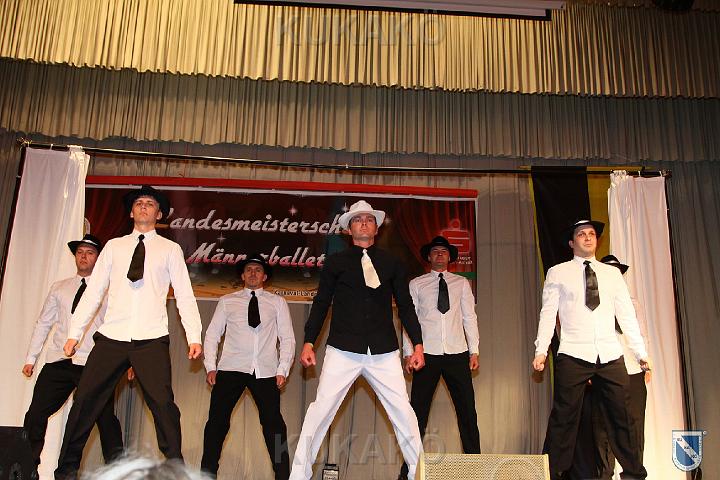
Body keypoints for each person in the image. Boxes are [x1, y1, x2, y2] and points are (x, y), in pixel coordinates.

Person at [55, 185, 203, 479]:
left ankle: (177, 471)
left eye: (150, 203)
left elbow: (185, 295)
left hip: (151, 338)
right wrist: (75, 332)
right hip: (112, 336)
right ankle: (65, 472)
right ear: (131, 212)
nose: (144, 206)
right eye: (138, 203)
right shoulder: (114, 246)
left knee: (163, 405)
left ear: (159, 214)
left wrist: (194, 336)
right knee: (84, 401)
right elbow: (94, 292)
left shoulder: (170, 250)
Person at [289, 200, 425, 480]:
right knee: (320, 411)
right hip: (343, 349)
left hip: (384, 351)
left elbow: (406, 305)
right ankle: (298, 476)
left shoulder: (392, 263)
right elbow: (322, 302)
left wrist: (418, 345)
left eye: (369, 219)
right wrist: (309, 342)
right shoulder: (336, 262)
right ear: (349, 229)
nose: (364, 223)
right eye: (357, 219)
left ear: (376, 228)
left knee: (404, 412)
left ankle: (419, 474)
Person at [532, 219, 651, 480]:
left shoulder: (612, 274)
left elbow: (626, 314)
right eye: (581, 234)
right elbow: (548, 313)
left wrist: (640, 352)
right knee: (564, 416)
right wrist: (541, 349)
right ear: (571, 242)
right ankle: (553, 473)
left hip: (609, 353)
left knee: (622, 415)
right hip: (574, 352)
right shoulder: (558, 272)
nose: (587, 237)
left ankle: (634, 474)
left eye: (592, 234)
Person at [22, 234, 123, 468]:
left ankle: (118, 470)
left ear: (98, 258)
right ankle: (26, 468)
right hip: (60, 359)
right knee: (35, 414)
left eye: (90, 253)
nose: (84, 257)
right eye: (80, 252)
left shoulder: (110, 291)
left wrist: (125, 362)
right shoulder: (60, 288)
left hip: (93, 363)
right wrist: (31, 358)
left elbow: (118, 326)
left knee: (105, 419)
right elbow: (44, 323)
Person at [201, 254, 295, 479]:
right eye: (249, 270)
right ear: (242, 276)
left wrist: (282, 369)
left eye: (258, 270)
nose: (253, 273)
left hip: (266, 371)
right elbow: (212, 335)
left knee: (275, 428)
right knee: (216, 425)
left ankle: (284, 476)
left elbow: (288, 338)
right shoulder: (227, 301)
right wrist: (210, 366)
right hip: (230, 368)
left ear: (265, 277)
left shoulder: (277, 303)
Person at [398, 236, 481, 480]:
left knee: (467, 412)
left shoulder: (461, 283)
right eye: (435, 251)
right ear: (428, 256)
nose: (440, 254)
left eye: (444, 251)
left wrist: (474, 350)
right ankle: (409, 470)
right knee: (418, 414)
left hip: (457, 353)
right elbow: (409, 320)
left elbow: (469, 317)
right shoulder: (417, 284)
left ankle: (475, 468)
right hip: (426, 355)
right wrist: (409, 352)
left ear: (450, 257)